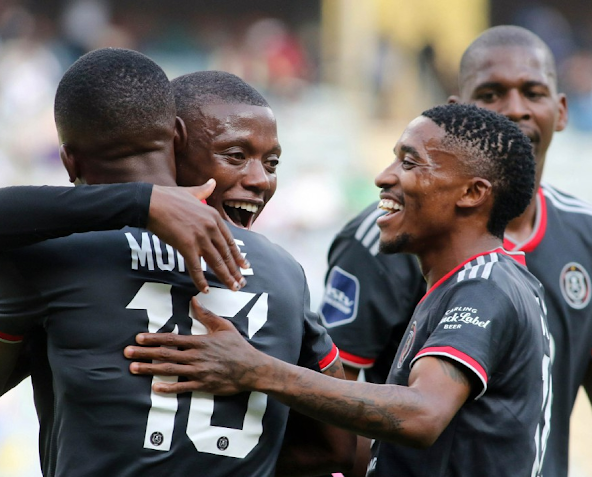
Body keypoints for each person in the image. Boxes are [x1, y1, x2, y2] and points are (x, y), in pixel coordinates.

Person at [0, 49, 353, 476]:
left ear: (69, 161)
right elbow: (339, 450)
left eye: (271, 163)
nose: (260, 179)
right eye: (236, 155)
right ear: (176, 138)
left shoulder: (49, 255)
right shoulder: (284, 270)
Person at [124, 103, 554, 477]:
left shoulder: (483, 285)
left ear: (473, 193)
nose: (384, 178)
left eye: (409, 163)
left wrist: (257, 370)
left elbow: (422, 415)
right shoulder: (462, 285)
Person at [319, 25, 592, 476]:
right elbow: (328, 419)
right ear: (456, 114)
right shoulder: (385, 236)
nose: (515, 109)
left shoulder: (591, 235)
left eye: (533, 92)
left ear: (560, 110)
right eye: (492, 93)